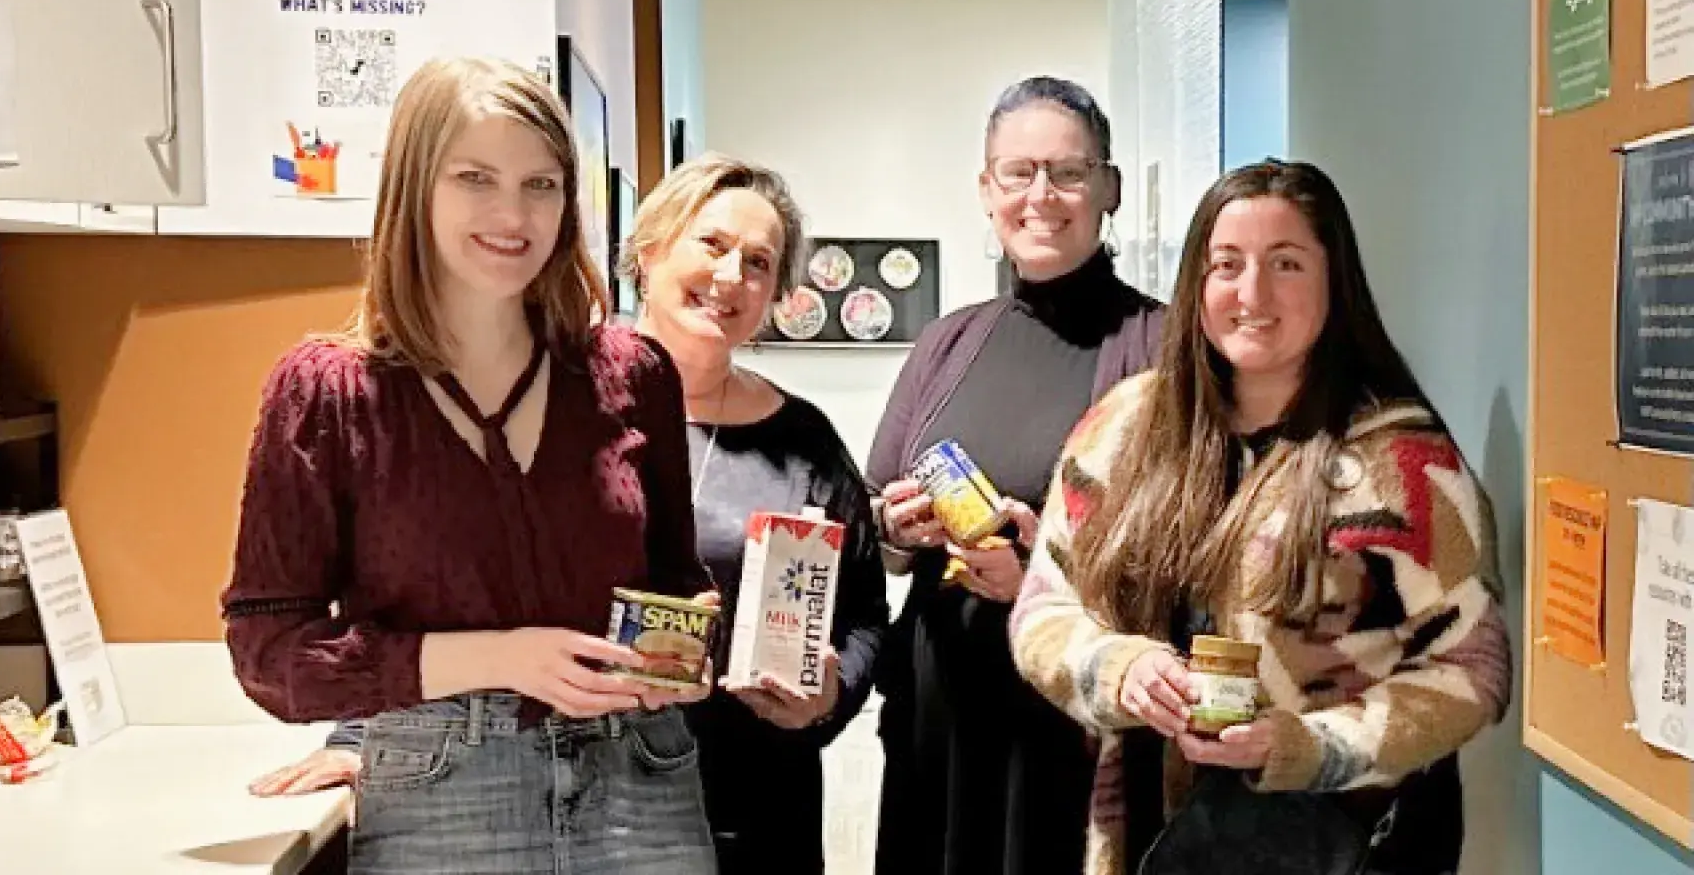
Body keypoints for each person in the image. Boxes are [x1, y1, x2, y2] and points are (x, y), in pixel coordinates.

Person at [250, 155, 890, 875]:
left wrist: (830, 696)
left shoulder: (804, 441)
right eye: (711, 244)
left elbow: (864, 612)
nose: (732, 276)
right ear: (649, 251)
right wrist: (357, 740)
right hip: (562, 789)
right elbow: (439, 576)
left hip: (756, 796)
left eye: (759, 262)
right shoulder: (546, 408)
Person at [220, 56, 717, 875]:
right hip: (442, 791)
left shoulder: (634, 375)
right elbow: (270, 651)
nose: (512, 214)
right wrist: (496, 658)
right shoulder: (328, 392)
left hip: (642, 779)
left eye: (542, 184)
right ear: (416, 188)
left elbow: (674, 580)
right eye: (475, 178)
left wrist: (679, 653)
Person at [1009, 160, 1512, 875]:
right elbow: (1043, 608)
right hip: (1155, 834)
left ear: (1335, 280)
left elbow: (1474, 670)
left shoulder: (1404, 465)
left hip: (1349, 840)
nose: (1253, 294)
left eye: (1287, 264)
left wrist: (1309, 747)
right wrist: (1115, 668)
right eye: (1227, 264)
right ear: (1196, 282)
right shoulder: (1123, 430)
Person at [866, 77, 1163, 875]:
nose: (1042, 195)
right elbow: (875, 530)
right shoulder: (948, 342)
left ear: (1110, 189)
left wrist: (1042, 575)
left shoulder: (1162, 347)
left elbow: (1198, 554)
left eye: (1068, 172)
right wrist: (898, 527)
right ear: (985, 189)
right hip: (945, 709)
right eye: (1017, 172)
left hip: (1072, 720)